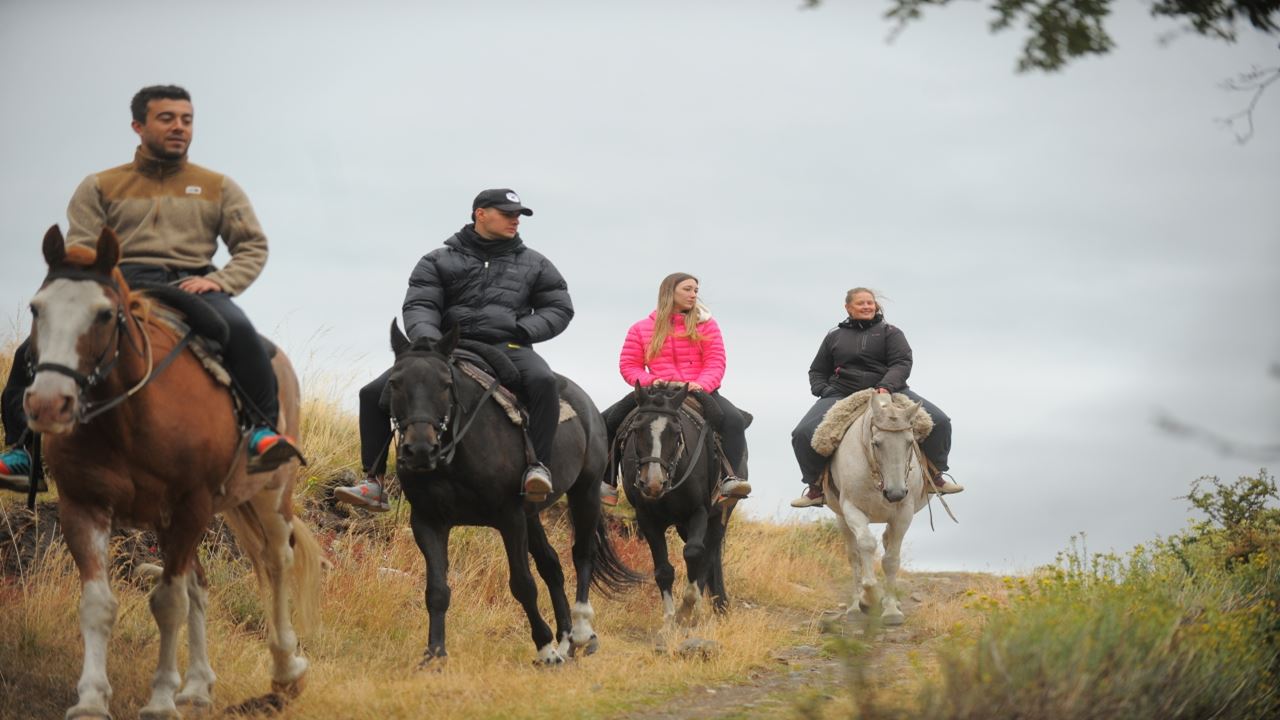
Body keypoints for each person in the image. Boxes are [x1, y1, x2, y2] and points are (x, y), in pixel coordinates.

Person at [0, 84, 299, 489]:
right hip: (118, 282)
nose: (179, 127)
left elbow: (252, 246)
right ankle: (21, 450)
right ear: (138, 125)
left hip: (192, 282)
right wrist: (102, 283)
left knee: (240, 332)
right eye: (167, 118)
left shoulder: (218, 186)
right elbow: (82, 246)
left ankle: (262, 434)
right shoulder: (100, 185)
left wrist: (218, 281)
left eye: (186, 120)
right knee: (31, 351)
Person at [334, 189, 572, 511]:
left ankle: (537, 467)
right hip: (446, 349)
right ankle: (373, 483)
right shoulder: (437, 260)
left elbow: (559, 307)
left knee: (543, 381)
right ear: (481, 214)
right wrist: (431, 345)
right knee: (371, 393)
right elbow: (421, 304)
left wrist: (523, 329)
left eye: (518, 215)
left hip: (508, 345)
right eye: (507, 213)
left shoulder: (536, 264)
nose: (515, 220)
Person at [790, 287, 962, 508]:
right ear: (848, 307)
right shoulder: (834, 337)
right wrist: (826, 391)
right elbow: (817, 371)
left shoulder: (891, 332)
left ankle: (936, 476)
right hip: (843, 394)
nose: (867, 306)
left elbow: (902, 363)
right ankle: (815, 488)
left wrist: (886, 386)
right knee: (802, 433)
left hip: (889, 390)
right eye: (861, 303)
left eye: (870, 303)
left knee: (940, 421)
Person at [600, 272, 751, 506]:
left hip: (698, 390)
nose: (693, 295)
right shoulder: (641, 328)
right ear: (670, 292)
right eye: (688, 289)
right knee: (608, 420)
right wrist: (652, 381)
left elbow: (716, 362)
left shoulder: (707, 326)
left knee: (733, 421)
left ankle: (729, 478)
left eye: (695, 291)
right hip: (655, 393)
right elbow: (629, 365)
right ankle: (608, 482)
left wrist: (700, 384)